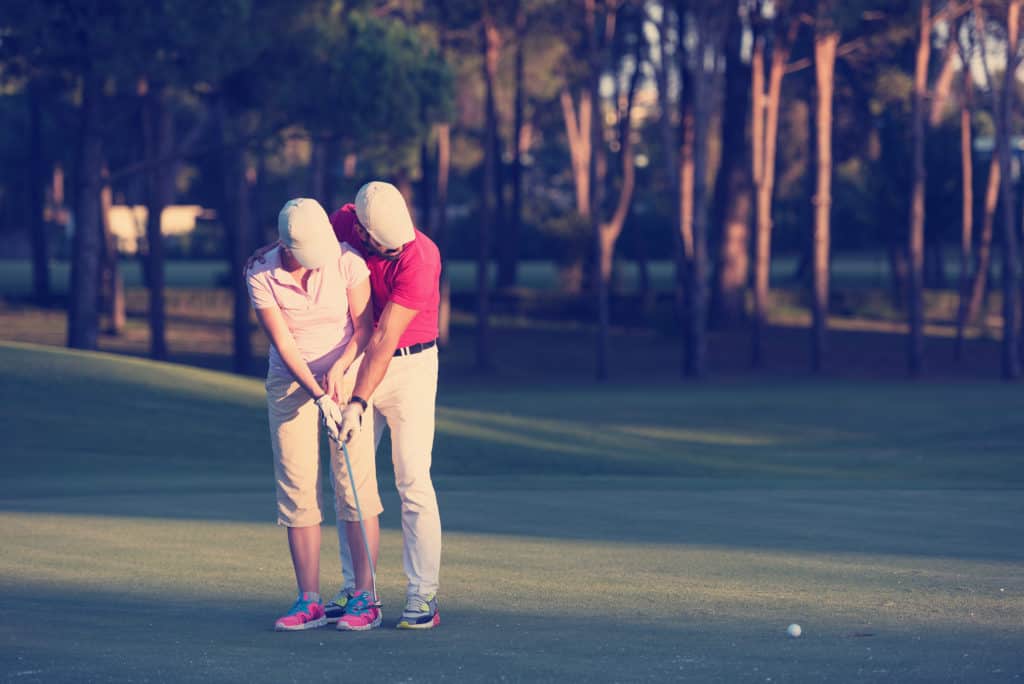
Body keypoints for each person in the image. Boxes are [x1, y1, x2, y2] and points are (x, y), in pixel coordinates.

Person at [249, 181, 443, 630]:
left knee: (412, 478)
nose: (392, 254)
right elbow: (295, 238)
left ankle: (422, 594)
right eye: (385, 249)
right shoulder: (341, 225)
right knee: (349, 476)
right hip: (356, 364)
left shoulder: (419, 255)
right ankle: (357, 589)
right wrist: (266, 253)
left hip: (408, 366)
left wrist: (355, 401)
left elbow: (381, 335)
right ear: (361, 228)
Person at [246, 197, 384, 632]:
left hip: (347, 374)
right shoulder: (261, 272)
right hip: (291, 383)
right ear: (286, 246)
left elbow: (364, 329)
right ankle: (310, 600)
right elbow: (284, 345)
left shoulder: (347, 262)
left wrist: (340, 375)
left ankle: (366, 597)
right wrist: (316, 394)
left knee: (353, 482)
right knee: (297, 486)